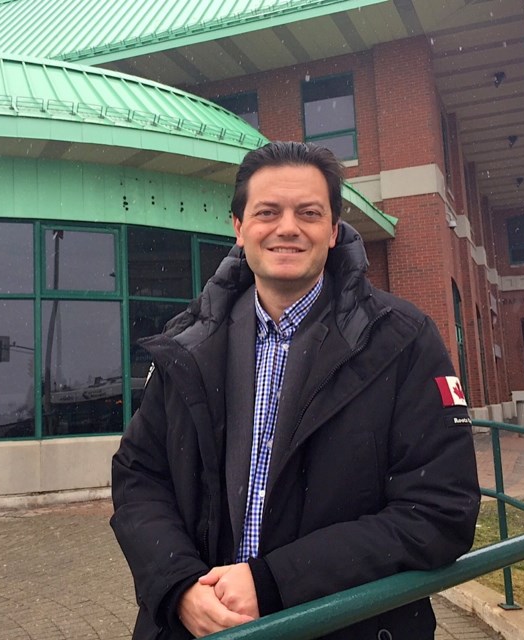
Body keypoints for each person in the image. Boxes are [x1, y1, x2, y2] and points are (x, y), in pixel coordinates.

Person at [110, 141, 481, 639]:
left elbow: (439, 511)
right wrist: (178, 586)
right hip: (197, 628)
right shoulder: (188, 343)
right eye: (267, 212)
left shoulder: (403, 341)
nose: (287, 227)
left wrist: (273, 584)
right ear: (239, 228)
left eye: (308, 213)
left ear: (332, 231)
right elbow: (140, 477)